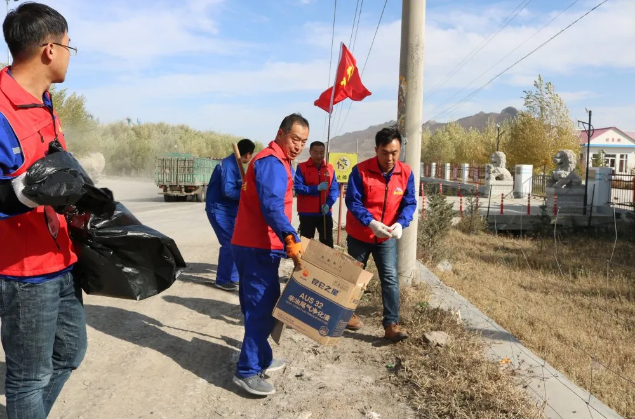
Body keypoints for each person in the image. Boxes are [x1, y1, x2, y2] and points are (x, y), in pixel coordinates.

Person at [0, 4, 86, 418]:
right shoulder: (1, 109)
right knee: (28, 377)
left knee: (71, 351)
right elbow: (19, 191)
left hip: (59, 258)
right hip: (22, 273)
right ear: (50, 49)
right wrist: (24, 194)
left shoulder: (44, 102)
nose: (71, 54)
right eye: (71, 46)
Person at [231, 113, 308, 396]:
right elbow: (272, 207)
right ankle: (247, 371)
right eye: (294, 138)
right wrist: (290, 235)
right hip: (256, 247)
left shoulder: (278, 161)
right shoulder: (272, 163)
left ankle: (262, 358)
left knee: (260, 306)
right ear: (281, 133)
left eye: (303, 141)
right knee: (261, 308)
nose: (298, 145)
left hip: (259, 245)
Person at [344, 126, 417, 342]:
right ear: (376, 150)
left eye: (394, 153)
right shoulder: (360, 171)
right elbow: (353, 201)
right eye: (385, 153)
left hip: (385, 237)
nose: (390, 158)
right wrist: (370, 222)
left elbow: (409, 202)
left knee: (390, 278)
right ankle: (346, 314)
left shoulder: (405, 173)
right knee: (354, 276)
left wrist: (401, 224)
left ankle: (391, 325)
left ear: (400, 150)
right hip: (360, 234)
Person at [205, 139, 255, 291]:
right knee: (228, 243)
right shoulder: (228, 165)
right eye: (250, 156)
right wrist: (245, 194)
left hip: (229, 210)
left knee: (236, 242)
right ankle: (222, 280)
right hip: (219, 210)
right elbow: (227, 191)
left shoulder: (236, 165)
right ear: (247, 154)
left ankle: (232, 277)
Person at [294, 141, 339, 247]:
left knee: (327, 244)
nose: (319, 156)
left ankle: (326, 264)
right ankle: (303, 264)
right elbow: (298, 188)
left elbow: (334, 189)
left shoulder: (330, 168)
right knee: (306, 245)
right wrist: (315, 188)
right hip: (306, 214)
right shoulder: (302, 168)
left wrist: (328, 204)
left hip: (325, 214)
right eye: (316, 152)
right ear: (310, 152)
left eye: (321, 152)